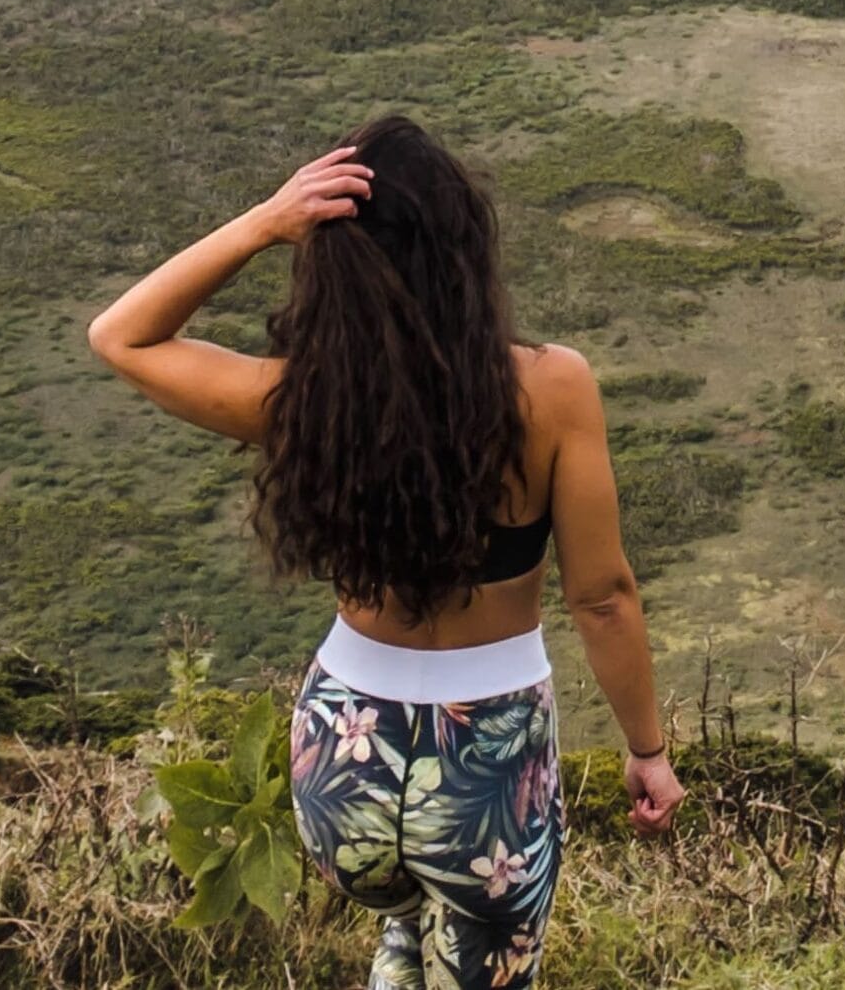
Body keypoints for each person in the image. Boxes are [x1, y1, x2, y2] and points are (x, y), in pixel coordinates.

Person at [88, 114, 683, 989]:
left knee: (407, 925)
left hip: (340, 765)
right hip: (490, 771)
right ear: (461, 249)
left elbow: (121, 335)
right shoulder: (553, 388)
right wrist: (647, 751)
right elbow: (604, 598)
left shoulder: (305, 399)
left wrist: (265, 221)